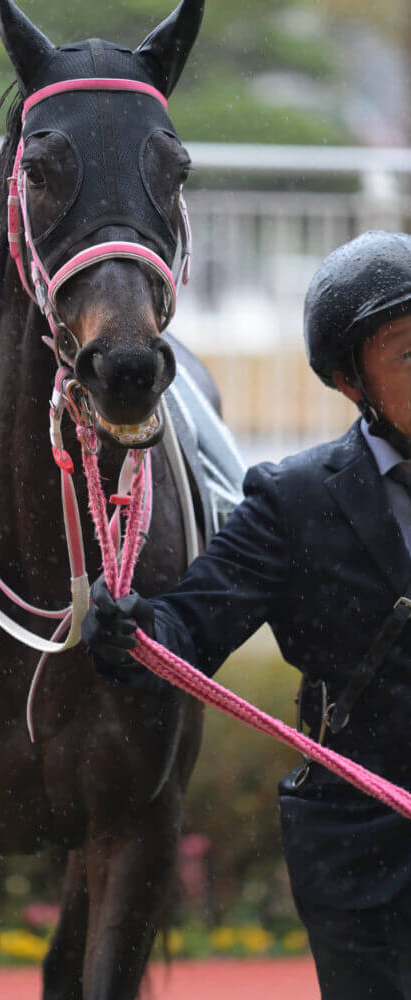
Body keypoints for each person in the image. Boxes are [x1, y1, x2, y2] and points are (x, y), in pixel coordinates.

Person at [81, 230, 411, 1000]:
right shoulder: (293, 502)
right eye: (408, 353)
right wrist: (130, 632)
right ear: (348, 381)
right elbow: (185, 631)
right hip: (360, 850)